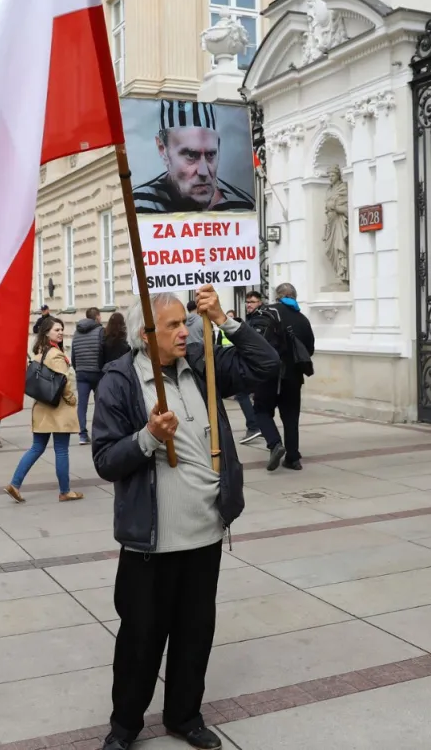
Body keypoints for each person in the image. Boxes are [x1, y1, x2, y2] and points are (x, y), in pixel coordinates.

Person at [92, 285, 279, 750]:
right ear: (145, 333)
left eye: (185, 321)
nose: (184, 331)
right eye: (173, 325)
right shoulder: (120, 379)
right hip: (152, 539)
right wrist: (148, 436)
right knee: (141, 637)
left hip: (205, 531)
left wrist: (225, 319)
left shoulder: (202, 365)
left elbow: (266, 365)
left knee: (195, 631)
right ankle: (125, 726)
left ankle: (184, 715)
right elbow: (104, 459)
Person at [4, 317, 81, 503]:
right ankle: (65, 491)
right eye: (56, 330)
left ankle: (15, 484)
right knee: (61, 450)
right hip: (59, 410)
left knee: (36, 448)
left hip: (42, 409)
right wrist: (72, 400)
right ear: (47, 332)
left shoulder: (39, 353)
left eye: (62, 329)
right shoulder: (56, 354)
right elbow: (65, 382)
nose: (61, 332)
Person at [133, 99, 254, 213]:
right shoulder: (140, 204)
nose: (203, 172)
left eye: (211, 154)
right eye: (191, 155)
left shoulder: (243, 206)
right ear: (162, 149)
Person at [248, 283, 315, 473]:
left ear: (277, 296)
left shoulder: (267, 313)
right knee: (291, 416)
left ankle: (275, 444)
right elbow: (309, 350)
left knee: (261, 410)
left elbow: (253, 341)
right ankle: (293, 458)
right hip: (293, 377)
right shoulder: (302, 319)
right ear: (294, 296)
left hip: (269, 374)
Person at [232, 293, 266, 445]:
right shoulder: (252, 318)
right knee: (259, 400)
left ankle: (254, 427)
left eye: (252, 302)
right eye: (247, 302)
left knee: (242, 393)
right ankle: (264, 430)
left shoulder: (260, 319)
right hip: (254, 364)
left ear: (260, 302)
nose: (248, 305)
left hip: (256, 364)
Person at [72, 308, 104, 445]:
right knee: (101, 404)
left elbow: (73, 354)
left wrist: (77, 368)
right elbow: (103, 351)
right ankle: (99, 433)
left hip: (81, 373)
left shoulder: (76, 332)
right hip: (97, 373)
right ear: (97, 317)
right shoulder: (101, 331)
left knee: (82, 405)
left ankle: (83, 435)